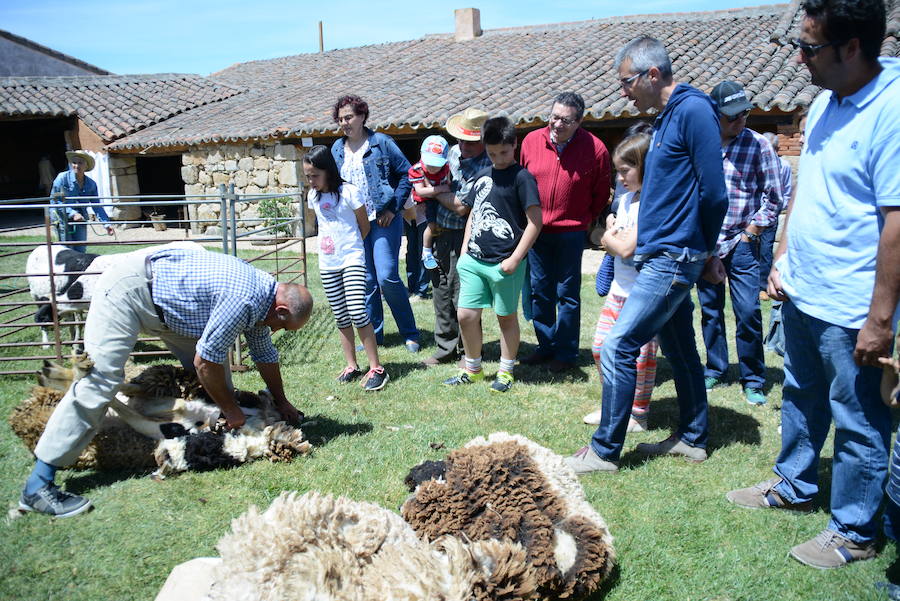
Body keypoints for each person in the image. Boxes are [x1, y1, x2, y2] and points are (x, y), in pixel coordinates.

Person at [727, 0, 900, 569]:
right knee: (800, 395)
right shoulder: (826, 99)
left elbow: (897, 223)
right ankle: (794, 483)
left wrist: (880, 320)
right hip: (803, 288)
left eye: (810, 47)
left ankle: (854, 530)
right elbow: (808, 183)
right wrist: (781, 255)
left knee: (858, 418)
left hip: (853, 302)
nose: (800, 57)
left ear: (852, 47)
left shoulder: (892, 109)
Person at [18, 247, 313, 517]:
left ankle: (200, 439)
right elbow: (204, 361)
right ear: (281, 310)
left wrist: (281, 401)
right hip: (131, 292)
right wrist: (233, 411)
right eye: (282, 326)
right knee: (101, 379)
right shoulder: (245, 298)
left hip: (176, 311)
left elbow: (264, 353)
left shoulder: (265, 300)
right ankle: (38, 484)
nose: (277, 330)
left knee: (218, 389)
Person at [565, 35, 728, 474]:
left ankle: (604, 451)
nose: (623, 92)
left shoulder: (693, 111)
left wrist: (705, 250)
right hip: (664, 253)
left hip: (672, 257)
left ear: (652, 74)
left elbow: (714, 193)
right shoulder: (668, 117)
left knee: (618, 346)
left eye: (626, 82)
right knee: (681, 348)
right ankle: (693, 439)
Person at [698, 80, 784, 406]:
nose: (740, 121)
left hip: (744, 241)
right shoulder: (701, 144)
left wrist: (751, 232)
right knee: (710, 310)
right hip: (707, 242)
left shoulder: (758, 145)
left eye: (744, 113)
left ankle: (753, 378)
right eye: (732, 116)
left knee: (748, 311)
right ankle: (716, 367)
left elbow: (774, 197)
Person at [443, 116, 542, 392]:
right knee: (466, 315)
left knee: (506, 318)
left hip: (505, 265)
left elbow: (535, 222)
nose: (498, 159)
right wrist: (464, 252)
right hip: (474, 260)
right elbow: (474, 212)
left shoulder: (523, 178)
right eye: (492, 153)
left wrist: (515, 259)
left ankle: (506, 371)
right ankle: (472, 369)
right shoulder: (483, 175)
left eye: (504, 152)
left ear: (515, 145)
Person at [519, 92, 611, 372]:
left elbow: (600, 193)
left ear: (579, 121)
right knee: (540, 290)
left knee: (567, 293)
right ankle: (545, 346)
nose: (557, 125)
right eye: (554, 117)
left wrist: (583, 219)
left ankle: (566, 353)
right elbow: (521, 181)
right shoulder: (531, 141)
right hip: (536, 230)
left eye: (566, 120)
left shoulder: (596, 149)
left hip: (571, 231)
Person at [330, 95, 421, 353]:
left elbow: (407, 174)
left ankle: (410, 333)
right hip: (354, 224)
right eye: (340, 119)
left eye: (349, 117)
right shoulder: (337, 149)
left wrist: (393, 208)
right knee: (367, 279)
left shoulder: (381, 143)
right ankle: (375, 335)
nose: (345, 123)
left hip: (383, 219)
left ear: (362, 116)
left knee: (386, 276)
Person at [583, 131, 658, 432]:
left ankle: (638, 413)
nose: (620, 178)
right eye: (618, 171)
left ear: (645, 167)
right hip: (618, 290)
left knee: (641, 356)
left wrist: (605, 236)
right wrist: (612, 235)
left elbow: (626, 247)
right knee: (601, 348)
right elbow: (619, 241)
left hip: (641, 294)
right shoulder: (625, 201)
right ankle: (614, 404)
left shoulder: (652, 204)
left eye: (625, 170)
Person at [303, 145, 388, 391]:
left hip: (351, 260)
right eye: (307, 176)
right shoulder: (313, 196)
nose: (311, 181)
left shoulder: (349, 191)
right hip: (328, 264)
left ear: (328, 170)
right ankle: (352, 365)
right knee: (340, 314)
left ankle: (376, 368)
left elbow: (365, 226)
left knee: (357, 311)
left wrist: (350, 249)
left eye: (315, 175)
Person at [420, 108, 492, 367]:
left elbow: (463, 206)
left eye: (470, 141)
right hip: (440, 231)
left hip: (468, 235)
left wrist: (429, 192)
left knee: (465, 294)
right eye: (461, 139)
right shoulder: (449, 152)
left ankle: (468, 350)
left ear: (483, 140)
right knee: (440, 289)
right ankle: (445, 347)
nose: (463, 146)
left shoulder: (487, 164)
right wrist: (439, 192)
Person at [50, 151, 114, 253]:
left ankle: (79, 269)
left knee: (80, 249)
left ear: (86, 166)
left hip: (80, 218)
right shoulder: (61, 178)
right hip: (61, 217)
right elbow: (56, 201)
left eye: (80, 163)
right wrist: (73, 213)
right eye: (74, 162)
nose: (77, 166)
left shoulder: (91, 184)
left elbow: (96, 205)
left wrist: (106, 224)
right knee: (66, 249)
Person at [408, 135, 452, 275]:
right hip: (424, 202)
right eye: (430, 164)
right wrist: (440, 190)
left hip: (439, 199)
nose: (433, 168)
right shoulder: (417, 169)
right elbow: (420, 191)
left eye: (436, 165)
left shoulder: (445, 168)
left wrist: (441, 190)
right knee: (431, 226)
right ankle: (426, 253)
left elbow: (448, 184)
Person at [760, 131, 792, 298]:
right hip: (753, 215)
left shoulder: (784, 165)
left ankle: (763, 286)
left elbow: (786, 191)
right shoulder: (756, 161)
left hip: (771, 214)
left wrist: (777, 208)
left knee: (766, 249)